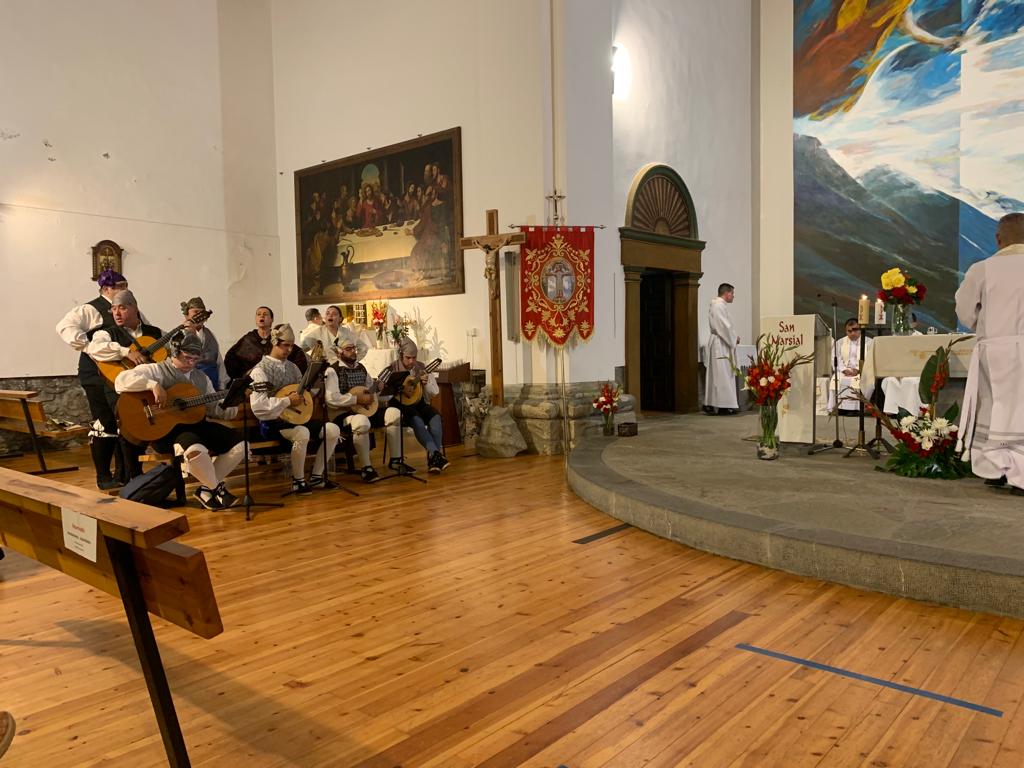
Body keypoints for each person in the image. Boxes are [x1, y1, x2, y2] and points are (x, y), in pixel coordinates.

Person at [114, 332, 245, 510]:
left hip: (196, 426)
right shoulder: (157, 370)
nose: (191, 363)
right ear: (175, 352)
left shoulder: (202, 378)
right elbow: (120, 380)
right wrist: (153, 385)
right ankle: (216, 489)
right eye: (187, 358)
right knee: (195, 448)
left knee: (241, 443)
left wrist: (232, 403)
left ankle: (207, 489)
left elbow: (215, 409)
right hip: (166, 432)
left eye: (195, 359)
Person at [956, 212, 1024, 494]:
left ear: (998, 239)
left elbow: (964, 310)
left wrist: (982, 325)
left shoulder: (983, 269)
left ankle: (995, 469)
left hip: (995, 349)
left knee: (994, 407)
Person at [55, 269, 133, 488]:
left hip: (120, 374)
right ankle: (103, 477)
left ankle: (123, 474)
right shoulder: (90, 309)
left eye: (125, 286)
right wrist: (89, 347)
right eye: (121, 286)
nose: (125, 289)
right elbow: (64, 327)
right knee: (105, 422)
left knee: (123, 422)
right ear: (106, 288)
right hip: (95, 374)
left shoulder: (127, 308)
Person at [81, 289, 163, 487]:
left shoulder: (155, 333)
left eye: (122, 308)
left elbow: (173, 352)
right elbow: (95, 349)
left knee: (146, 424)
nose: (116, 313)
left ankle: (128, 476)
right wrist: (126, 352)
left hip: (147, 388)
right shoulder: (106, 333)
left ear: (135, 308)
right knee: (125, 424)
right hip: (116, 387)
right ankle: (128, 476)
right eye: (113, 309)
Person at [248, 324, 341, 494]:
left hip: (296, 418)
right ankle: (298, 481)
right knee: (302, 433)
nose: (289, 350)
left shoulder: (293, 367)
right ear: (274, 342)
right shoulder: (259, 371)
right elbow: (259, 407)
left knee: (332, 430)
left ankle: (317, 476)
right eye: (286, 345)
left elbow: (304, 393)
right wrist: (286, 401)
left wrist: (317, 380)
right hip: (273, 422)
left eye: (292, 345)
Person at [324, 337, 405, 482]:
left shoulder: (361, 368)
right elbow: (331, 398)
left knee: (394, 413)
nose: (353, 351)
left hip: (364, 410)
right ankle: (366, 468)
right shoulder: (332, 371)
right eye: (348, 349)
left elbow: (370, 392)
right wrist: (356, 399)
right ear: (339, 352)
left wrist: (378, 389)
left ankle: (396, 460)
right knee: (361, 422)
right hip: (342, 414)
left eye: (354, 348)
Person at [387, 337, 449, 472]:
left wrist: (426, 384)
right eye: (408, 358)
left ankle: (434, 457)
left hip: (419, 403)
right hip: (400, 405)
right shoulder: (392, 368)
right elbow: (385, 394)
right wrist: (400, 389)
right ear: (401, 355)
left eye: (414, 358)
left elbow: (435, 392)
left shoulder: (421, 368)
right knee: (417, 419)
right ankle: (437, 455)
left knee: (435, 416)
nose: (411, 361)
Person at [224, 306, 308, 381]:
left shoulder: (278, 337)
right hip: (254, 380)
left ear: (271, 319)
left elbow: (296, 354)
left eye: (265, 314)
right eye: (258, 314)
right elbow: (231, 358)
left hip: (277, 378)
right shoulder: (249, 339)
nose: (262, 316)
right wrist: (244, 374)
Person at [705, 283, 740, 414]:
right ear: (726, 293)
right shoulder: (719, 306)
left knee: (719, 375)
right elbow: (724, 327)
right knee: (722, 375)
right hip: (720, 344)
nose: (733, 296)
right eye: (732, 293)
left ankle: (716, 404)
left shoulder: (719, 305)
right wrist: (734, 338)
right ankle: (722, 406)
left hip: (721, 342)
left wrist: (733, 337)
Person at [827, 318, 875, 412]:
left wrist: (858, 369)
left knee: (869, 383)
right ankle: (839, 408)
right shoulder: (840, 342)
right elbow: (835, 358)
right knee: (836, 380)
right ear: (846, 331)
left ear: (860, 329)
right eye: (849, 331)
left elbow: (870, 360)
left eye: (855, 330)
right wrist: (844, 369)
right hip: (844, 370)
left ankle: (859, 408)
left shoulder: (869, 342)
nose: (852, 333)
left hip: (862, 371)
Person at [880, 312, 923, 415]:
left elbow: (921, 358)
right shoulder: (895, 337)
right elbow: (891, 357)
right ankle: (893, 411)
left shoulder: (921, 337)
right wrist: (897, 371)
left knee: (910, 382)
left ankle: (911, 412)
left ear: (915, 323)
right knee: (890, 380)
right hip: (897, 372)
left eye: (908, 322)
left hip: (915, 372)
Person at [180, 296, 226, 389]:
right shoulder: (179, 335)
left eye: (202, 312)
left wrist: (222, 385)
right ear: (187, 315)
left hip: (212, 382)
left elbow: (219, 361)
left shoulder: (210, 334)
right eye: (196, 312)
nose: (199, 315)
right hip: (191, 385)